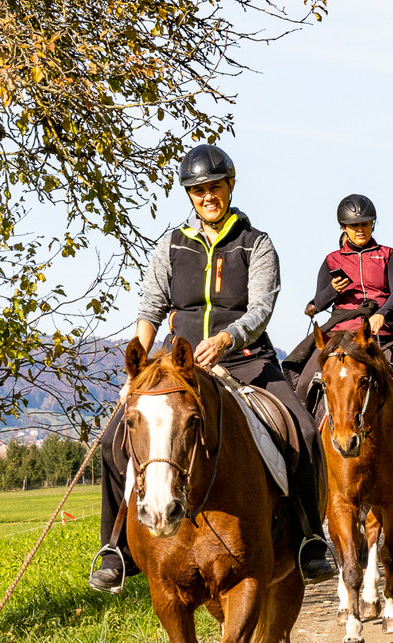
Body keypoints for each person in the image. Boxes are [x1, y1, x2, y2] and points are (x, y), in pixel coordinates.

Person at [89, 143, 334, 594]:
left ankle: (310, 538)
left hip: (246, 361)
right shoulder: (171, 246)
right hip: (177, 367)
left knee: (301, 431)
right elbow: (150, 308)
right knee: (111, 441)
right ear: (190, 195)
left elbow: (262, 306)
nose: (207, 197)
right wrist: (136, 373)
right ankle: (116, 548)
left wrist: (226, 339)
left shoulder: (255, 243)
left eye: (214, 188)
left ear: (230, 186)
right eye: (198, 191)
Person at [295, 196, 393, 480]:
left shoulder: (388, 255)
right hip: (340, 334)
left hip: (381, 333)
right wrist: (333, 290)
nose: (360, 230)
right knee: (302, 384)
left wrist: (384, 313)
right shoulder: (331, 260)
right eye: (354, 226)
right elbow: (319, 300)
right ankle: (306, 454)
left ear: (372, 224)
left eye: (365, 224)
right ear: (343, 227)